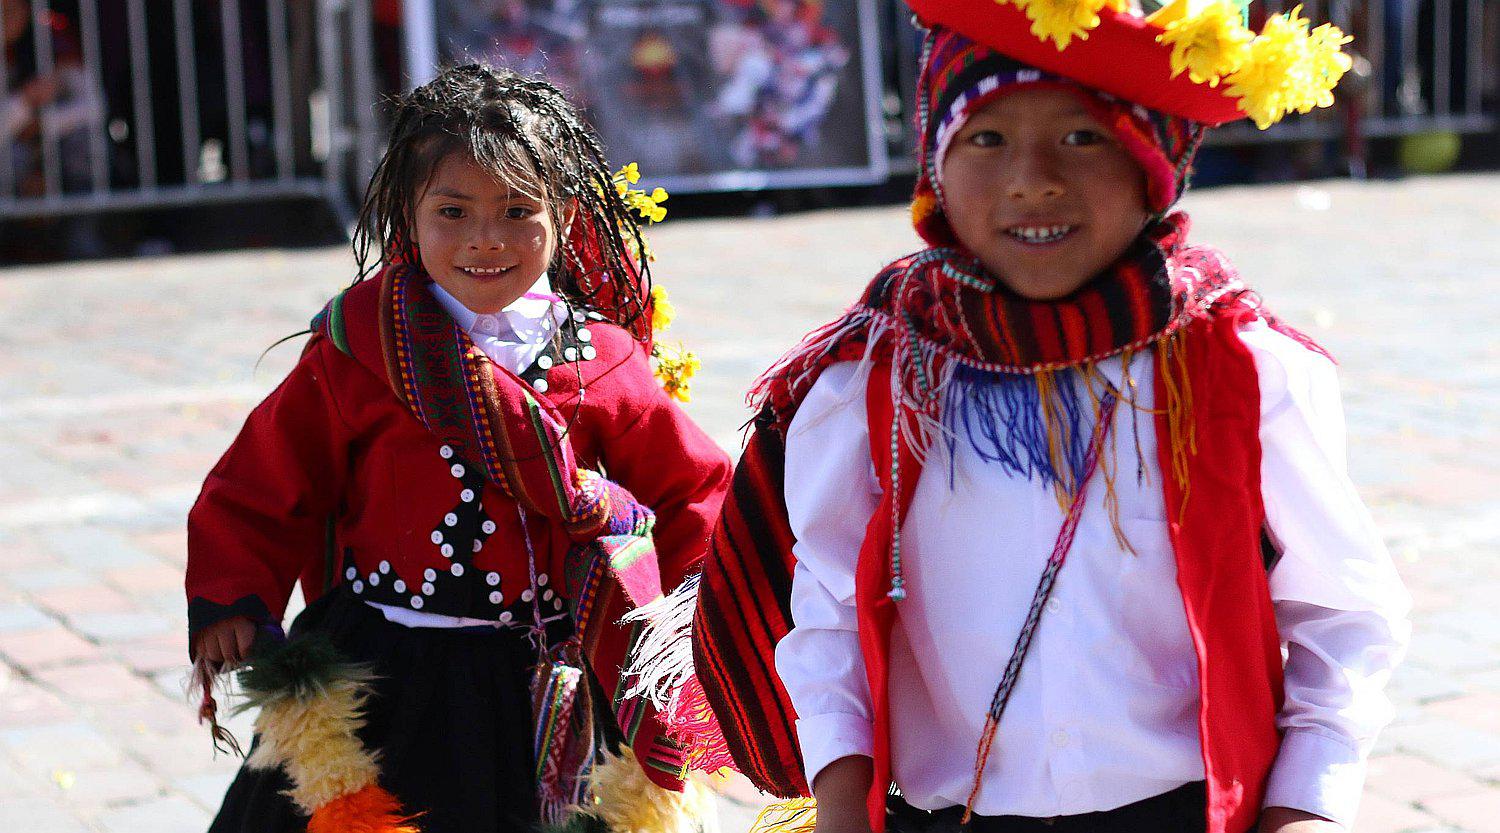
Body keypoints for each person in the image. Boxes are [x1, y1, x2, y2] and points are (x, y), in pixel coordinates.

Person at [689, 2, 1410, 832]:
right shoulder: (869, 383)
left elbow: (1340, 612)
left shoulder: (1242, 368)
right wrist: (844, 801)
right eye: (986, 139)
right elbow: (830, 617)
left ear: (1155, 164)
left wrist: (1305, 803)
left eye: (1083, 137)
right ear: (934, 168)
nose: (1032, 178)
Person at [186, 63, 731, 833]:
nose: (486, 239)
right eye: (453, 210)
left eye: (518, 211)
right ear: (408, 217)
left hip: (539, 683)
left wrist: (686, 621)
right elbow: (266, 473)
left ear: (567, 216)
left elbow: (695, 487)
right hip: (381, 663)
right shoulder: (361, 347)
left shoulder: (599, 357)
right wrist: (233, 590)